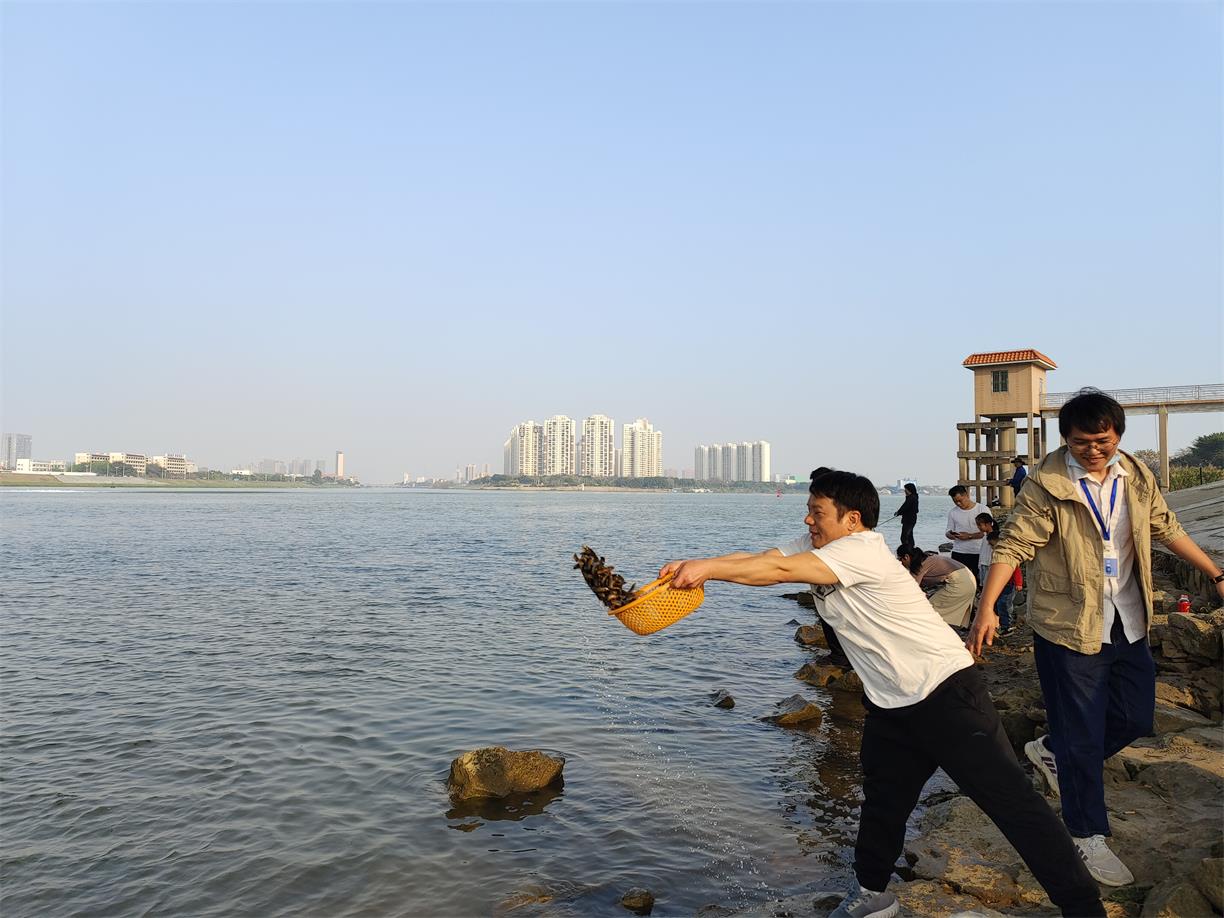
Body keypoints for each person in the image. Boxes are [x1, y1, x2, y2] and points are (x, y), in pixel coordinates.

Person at [664, 468, 1105, 918]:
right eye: (808, 511)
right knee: (882, 803)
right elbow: (762, 560)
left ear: (852, 519)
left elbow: (777, 571)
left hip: (946, 694)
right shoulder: (819, 547)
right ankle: (873, 895)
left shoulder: (861, 550)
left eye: (817, 512)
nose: (808, 521)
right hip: (891, 704)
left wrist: (710, 570)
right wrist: (696, 567)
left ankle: (1083, 907)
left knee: (1011, 802)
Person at [969, 388, 1224, 888]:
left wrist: (1215, 574)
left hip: (1128, 617)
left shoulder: (1135, 474)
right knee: (1083, 734)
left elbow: (1165, 527)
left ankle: (1052, 752)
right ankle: (1085, 834)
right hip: (1069, 624)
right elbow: (1014, 543)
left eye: (1102, 440)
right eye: (1082, 442)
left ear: (1118, 436)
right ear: (1066, 439)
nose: (1093, 450)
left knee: (1135, 717)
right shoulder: (1046, 483)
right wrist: (986, 611)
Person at [897, 545, 976, 628]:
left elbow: (911, 589)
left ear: (906, 557)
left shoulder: (920, 565)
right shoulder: (927, 557)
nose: (900, 563)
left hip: (960, 582)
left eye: (900, 559)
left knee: (930, 610)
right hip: (968, 577)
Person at [945, 486, 989, 586]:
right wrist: (951, 535)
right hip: (958, 551)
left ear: (966, 495)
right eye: (955, 501)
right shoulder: (953, 512)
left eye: (960, 500)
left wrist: (969, 536)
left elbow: (988, 532)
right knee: (958, 582)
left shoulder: (982, 509)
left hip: (978, 551)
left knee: (979, 582)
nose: (958, 504)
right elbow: (948, 531)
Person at [892, 483, 918, 550]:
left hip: (909, 520)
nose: (904, 491)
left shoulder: (912, 498)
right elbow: (905, 507)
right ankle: (911, 550)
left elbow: (905, 507)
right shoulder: (912, 497)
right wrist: (899, 512)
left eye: (905, 489)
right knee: (909, 536)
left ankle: (907, 551)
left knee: (904, 537)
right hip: (910, 520)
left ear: (909, 490)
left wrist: (898, 512)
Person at [975, 512, 997, 587]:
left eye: (980, 525)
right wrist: (979, 564)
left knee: (989, 585)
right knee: (984, 584)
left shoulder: (994, 537)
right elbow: (982, 552)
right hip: (983, 564)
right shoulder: (984, 537)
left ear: (988, 524)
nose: (978, 527)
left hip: (989, 564)